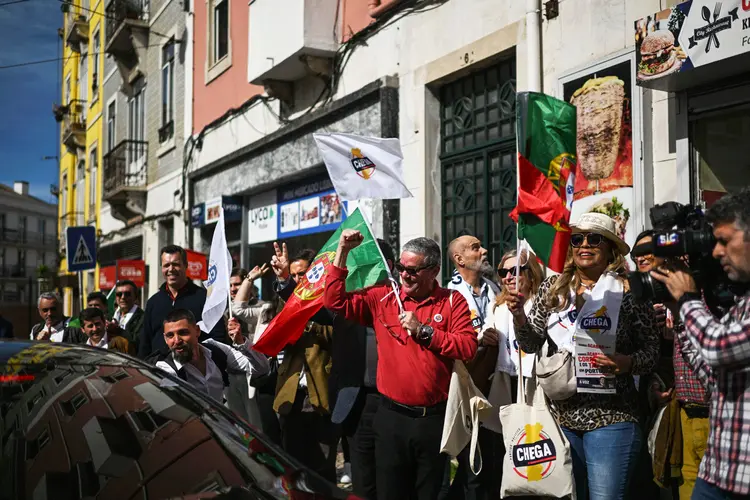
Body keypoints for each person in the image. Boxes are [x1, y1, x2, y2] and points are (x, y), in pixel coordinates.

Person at [507, 212, 660, 500]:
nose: (584, 245)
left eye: (594, 239)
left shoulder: (631, 292)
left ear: (611, 248)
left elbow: (652, 351)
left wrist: (626, 363)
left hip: (613, 417)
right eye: (577, 239)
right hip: (560, 417)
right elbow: (530, 343)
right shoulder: (552, 291)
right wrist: (518, 317)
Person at [324, 233, 478, 500]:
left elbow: (467, 347)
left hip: (433, 420)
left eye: (413, 270)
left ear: (434, 271)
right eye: (401, 268)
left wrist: (425, 331)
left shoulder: (452, 301)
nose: (404, 276)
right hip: (391, 419)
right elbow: (334, 301)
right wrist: (342, 252)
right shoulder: (384, 297)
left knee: (428, 493)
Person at [650, 189, 750, 499]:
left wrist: (689, 299)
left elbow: (719, 349)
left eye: (724, 240)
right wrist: (681, 313)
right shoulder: (741, 304)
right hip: (718, 469)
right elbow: (714, 378)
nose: (717, 252)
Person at [329, 238, 397, 500]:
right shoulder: (349, 303)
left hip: (395, 402)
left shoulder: (404, 302)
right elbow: (318, 308)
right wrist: (286, 284)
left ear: (387, 266)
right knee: (363, 478)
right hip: (359, 402)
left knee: (392, 476)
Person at [269, 244, 338, 483]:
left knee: (322, 470)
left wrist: (307, 322)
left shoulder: (329, 299)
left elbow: (334, 334)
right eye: (295, 275)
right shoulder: (289, 298)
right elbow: (278, 327)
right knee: (292, 467)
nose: (299, 279)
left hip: (319, 394)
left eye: (303, 274)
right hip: (291, 396)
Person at [440, 234, 502, 500]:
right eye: (475, 248)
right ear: (459, 259)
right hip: (465, 389)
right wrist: (477, 339)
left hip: (495, 386)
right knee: (470, 465)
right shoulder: (448, 295)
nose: (484, 251)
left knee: (494, 460)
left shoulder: (495, 289)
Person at [156, 308, 269, 403]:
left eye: (183, 333)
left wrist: (241, 342)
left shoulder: (215, 350)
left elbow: (261, 368)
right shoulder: (166, 368)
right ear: (165, 339)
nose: (177, 340)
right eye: (170, 335)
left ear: (197, 331)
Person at [139, 245, 228, 359]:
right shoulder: (153, 302)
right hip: (160, 372)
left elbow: (217, 338)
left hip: (197, 371)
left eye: (175, 264)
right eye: (166, 265)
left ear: (185, 265)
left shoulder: (204, 298)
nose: (171, 269)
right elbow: (145, 343)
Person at [493, 248, 545, 395]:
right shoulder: (496, 308)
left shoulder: (544, 306)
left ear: (531, 274)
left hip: (535, 381)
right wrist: (486, 337)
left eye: (515, 271)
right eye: (503, 273)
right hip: (506, 380)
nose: (508, 277)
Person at [108, 280, 145, 353]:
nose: (123, 297)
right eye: (119, 294)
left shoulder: (143, 317)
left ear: (135, 297)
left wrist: (118, 330)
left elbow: (138, 343)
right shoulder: (109, 316)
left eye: (127, 294)